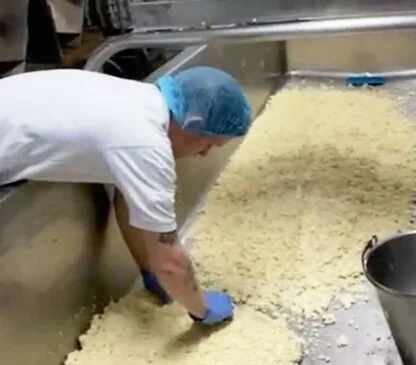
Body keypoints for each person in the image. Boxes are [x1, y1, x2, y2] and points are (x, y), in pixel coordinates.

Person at [0, 66, 252, 325]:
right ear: (193, 125)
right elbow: (169, 261)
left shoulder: (139, 100)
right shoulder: (145, 145)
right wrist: (201, 309)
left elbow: (129, 200)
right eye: (208, 143)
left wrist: (150, 271)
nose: (204, 154)